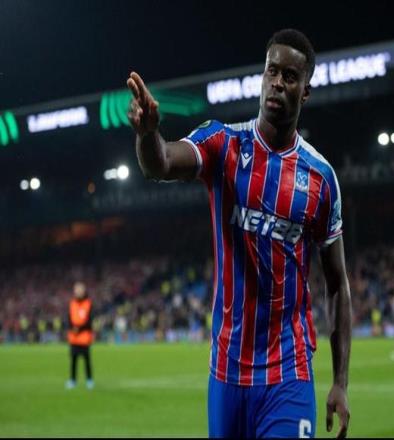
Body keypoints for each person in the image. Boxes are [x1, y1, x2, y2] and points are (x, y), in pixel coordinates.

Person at [127, 29, 352, 439]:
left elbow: (337, 284)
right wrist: (147, 134)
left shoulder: (321, 178)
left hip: (288, 372)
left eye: (290, 76)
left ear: (305, 92)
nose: (277, 83)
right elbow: (160, 164)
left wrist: (340, 381)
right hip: (227, 373)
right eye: (271, 71)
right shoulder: (223, 144)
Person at [66, 281, 94, 390]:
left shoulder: (88, 303)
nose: (78, 291)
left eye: (80, 289)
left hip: (84, 337)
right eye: (76, 290)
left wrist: (79, 328)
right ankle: (72, 380)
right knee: (73, 360)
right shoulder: (71, 303)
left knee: (87, 360)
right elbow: (68, 318)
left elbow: (89, 321)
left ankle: (89, 380)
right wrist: (72, 328)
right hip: (73, 337)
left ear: (84, 291)